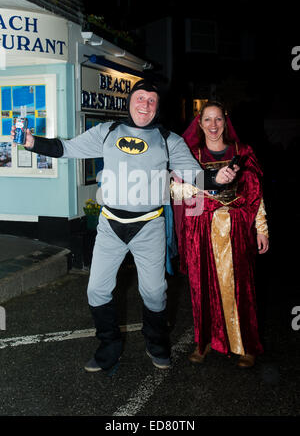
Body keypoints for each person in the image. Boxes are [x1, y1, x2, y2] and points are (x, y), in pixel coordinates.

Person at [11, 82, 238, 372]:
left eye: (152, 101)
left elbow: (195, 177)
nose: (145, 104)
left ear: (157, 107)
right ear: (130, 102)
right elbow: (65, 148)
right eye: (140, 98)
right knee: (97, 291)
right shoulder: (107, 132)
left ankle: (156, 344)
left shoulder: (169, 140)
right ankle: (108, 348)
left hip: (149, 226)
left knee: (155, 292)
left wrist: (217, 180)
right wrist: (33, 143)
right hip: (110, 225)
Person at [171, 101, 269, 368]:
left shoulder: (243, 152)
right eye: (207, 120)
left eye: (218, 120)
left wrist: (261, 229)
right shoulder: (189, 154)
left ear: (226, 121)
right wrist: (202, 188)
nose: (213, 126)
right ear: (199, 123)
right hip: (201, 228)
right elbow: (175, 192)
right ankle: (203, 342)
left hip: (237, 226)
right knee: (201, 285)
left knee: (242, 286)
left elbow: (255, 194)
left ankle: (246, 344)